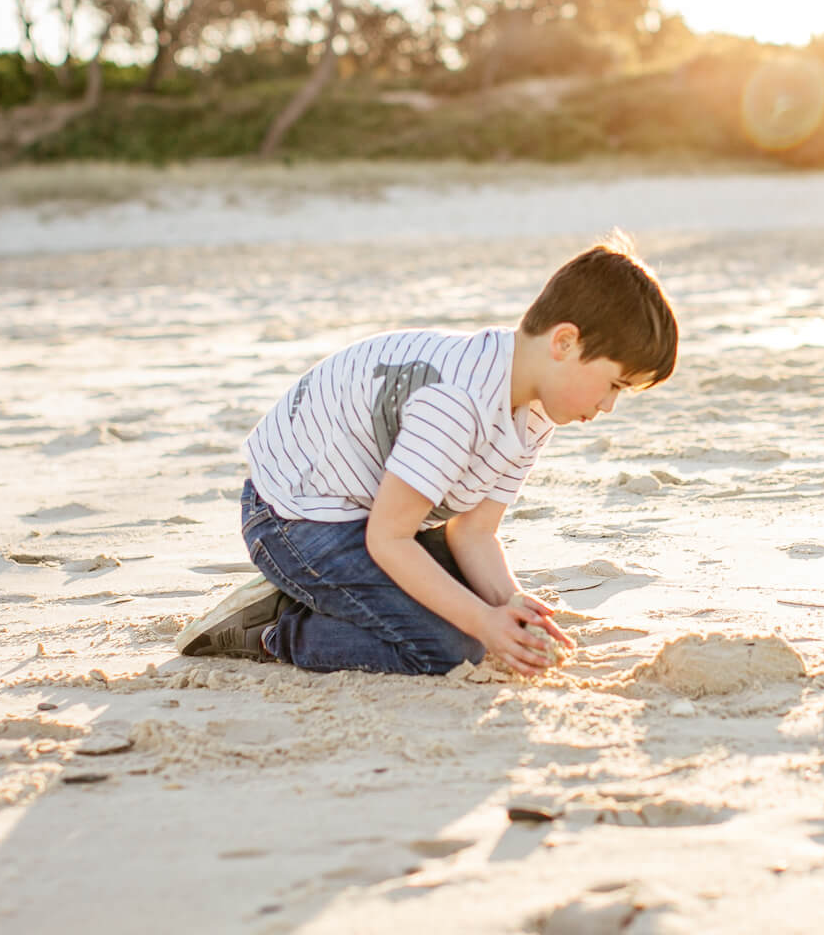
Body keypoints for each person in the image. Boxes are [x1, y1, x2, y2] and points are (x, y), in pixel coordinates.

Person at [175, 234, 677, 676]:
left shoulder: (533, 407)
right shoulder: (458, 401)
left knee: (478, 607)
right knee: (450, 648)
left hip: (373, 512)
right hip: (294, 518)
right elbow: (389, 540)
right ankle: (275, 627)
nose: (608, 406)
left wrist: (509, 604)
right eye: (612, 385)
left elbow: (472, 530)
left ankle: (329, 596)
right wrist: (483, 623)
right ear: (564, 342)